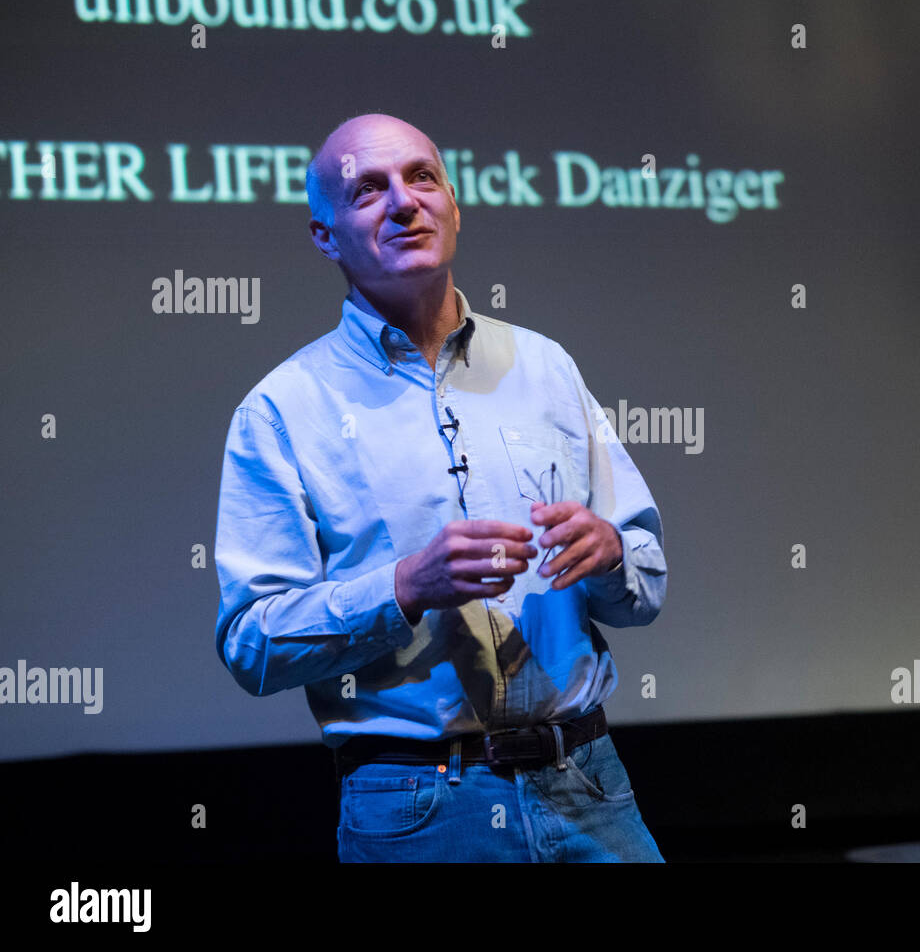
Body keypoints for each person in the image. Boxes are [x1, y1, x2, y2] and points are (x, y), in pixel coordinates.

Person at [213, 113, 667, 862]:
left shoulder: (545, 366)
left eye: (422, 178)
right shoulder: (282, 410)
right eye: (367, 190)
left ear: (455, 207)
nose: (403, 202)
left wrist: (613, 549)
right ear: (325, 236)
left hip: (590, 787)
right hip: (420, 810)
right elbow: (252, 643)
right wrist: (403, 588)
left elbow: (646, 582)